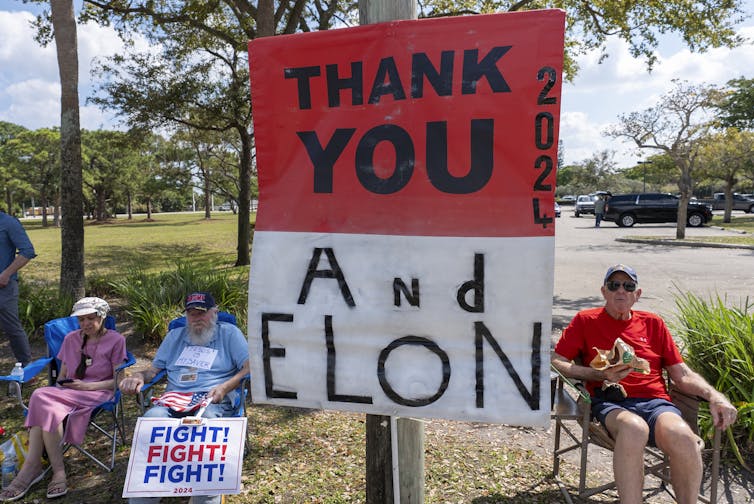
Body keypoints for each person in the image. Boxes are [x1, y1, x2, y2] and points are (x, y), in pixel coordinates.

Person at [551, 264, 737, 504]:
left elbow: (682, 374)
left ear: (637, 294)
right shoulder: (585, 320)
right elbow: (557, 360)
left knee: (684, 437)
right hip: (608, 402)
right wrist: (599, 375)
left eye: (628, 286)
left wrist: (715, 396)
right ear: (604, 291)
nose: (621, 290)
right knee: (634, 428)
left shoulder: (653, 323)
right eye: (614, 285)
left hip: (655, 403)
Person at [119, 291, 249, 504]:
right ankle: (146, 494)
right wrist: (139, 376)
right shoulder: (175, 336)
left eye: (202, 312)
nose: (197, 318)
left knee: (206, 424)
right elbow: (154, 370)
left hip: (213, 398)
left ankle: (206, 492)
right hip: (174, 398)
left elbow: (249, 366)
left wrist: (225, 387)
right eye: (191, 313)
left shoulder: (229, 333)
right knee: (152, 420)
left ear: (214, 312)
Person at [0, 297, 126, 502]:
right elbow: (62, 377)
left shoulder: (116, 340)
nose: (85, 324)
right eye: (81, 320)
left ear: (102, 316)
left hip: (98, 392)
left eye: (90, 318)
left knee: (40, 396)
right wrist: (65, 388)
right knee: (46, 402)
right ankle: (54, 472)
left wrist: (87, 386)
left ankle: (35, 468)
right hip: (70, 392)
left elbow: (118, 381)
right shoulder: (71, 339)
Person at [0, 209, 36, 366]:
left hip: (4, 287)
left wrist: (6, 274)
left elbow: (27, 251)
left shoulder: (8, 223)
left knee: (12, 328)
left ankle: (27, 368)